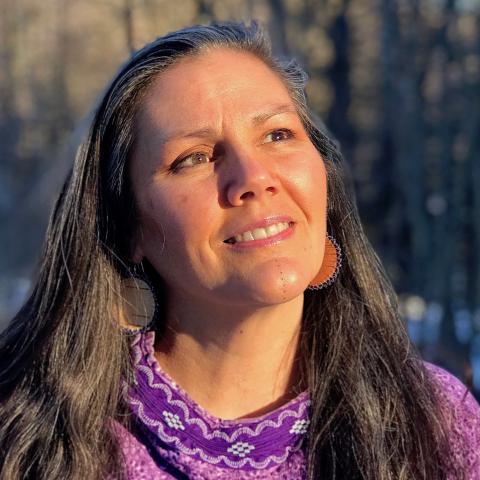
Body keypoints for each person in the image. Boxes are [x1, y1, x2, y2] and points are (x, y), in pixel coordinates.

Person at [0, 21, 479, 480]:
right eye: (194, 158)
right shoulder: (26, 436)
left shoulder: (437, 423)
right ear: (130, 227)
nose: (253, 179)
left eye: (277, 135)